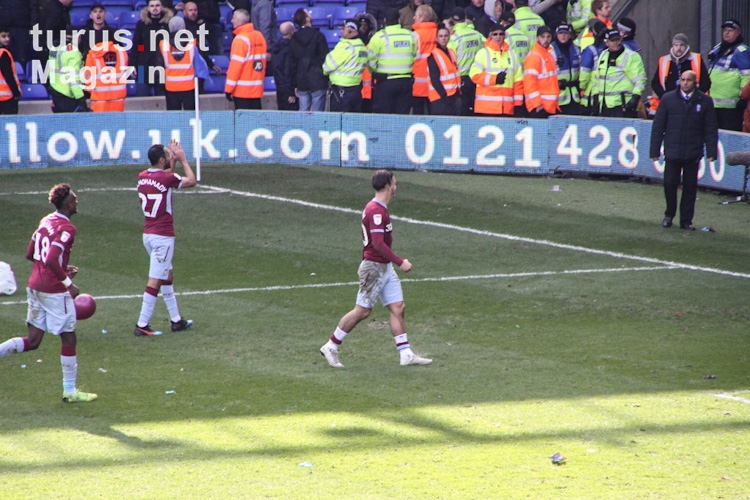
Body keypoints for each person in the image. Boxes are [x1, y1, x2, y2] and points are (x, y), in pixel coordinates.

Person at [319, 170, 432, 369]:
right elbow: (378, 244)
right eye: (394, 183)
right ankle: (331, 345)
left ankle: (405, 354)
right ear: (388, 186)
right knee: (362, 311)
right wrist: (400, 262)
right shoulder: (376, 211)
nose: (396, 187)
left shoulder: (378, 208)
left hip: (382, 267)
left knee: (398, 308)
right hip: (376, 267)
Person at [0, 183, 97, 403]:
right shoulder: (68, 228)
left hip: (34, 286)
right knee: (69, 336)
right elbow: (52, 258)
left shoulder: (46, 220)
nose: (77, 202)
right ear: (69, 203)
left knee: (33, 341)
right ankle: (70, 391)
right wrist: (67, 282)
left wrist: (61, 267)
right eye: (75, 199)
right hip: (53, 291)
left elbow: (30, 253)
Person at [135, 141, 196, 337]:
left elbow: (166, 177)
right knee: (155, 281)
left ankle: (176, 320)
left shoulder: (142, 176)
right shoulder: (166, 178)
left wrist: (173, 160)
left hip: (148, 235)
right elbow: (191, 181)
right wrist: (184, 159)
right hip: (163, 237)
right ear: (162, 159)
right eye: (168, 155)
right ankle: (142, 324)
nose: (170, 156)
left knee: (167, 275)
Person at [650, 71, 718, 231]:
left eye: (689, 80)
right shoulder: (668, 99)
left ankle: (686, 220)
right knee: (669, 184)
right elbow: (658, 126)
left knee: (690, 187)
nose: (685, 83)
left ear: (695, 82)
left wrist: (711, 151)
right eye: (683, 80)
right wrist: (654, 150)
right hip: (673, 149)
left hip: (693, 150)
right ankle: (669, 215)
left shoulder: (705, 101)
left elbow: (710, 128)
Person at [368, 9, 417, 114]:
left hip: (385, 81)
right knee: (402, 117)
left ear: (385, 20)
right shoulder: (410, 36)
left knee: (384, 117)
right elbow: (414, 56)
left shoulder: (379, 37)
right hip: (406, 81)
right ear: (399, 20)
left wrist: (375, 72)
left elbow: (370, 61)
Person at [649, 33, 710, 118]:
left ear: (686, 46)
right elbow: (655, 83)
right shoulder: (664, 60)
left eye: (682, 45)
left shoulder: (696, 59)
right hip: (669, 104)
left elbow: (706, 82)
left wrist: (694, 96)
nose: (678, 48)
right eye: (676, 45)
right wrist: (665, 97)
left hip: (691, 104)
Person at [590, 27, 645, 118]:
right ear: (607, 43)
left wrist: (635, 98)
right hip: (604, 107)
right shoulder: (603, 55)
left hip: (623, 107)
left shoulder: (632, 57)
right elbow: (597, 79)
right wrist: (596, 99)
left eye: (618, 39)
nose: (617, 43)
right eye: (613, 40)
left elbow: (640, 81)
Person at [469, 23, 523, 116]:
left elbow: (518, 80)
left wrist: (518, 104)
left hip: (507, 108)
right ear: (490, 35)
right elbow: (474, 75)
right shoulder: (483, 53)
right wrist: (495, 79)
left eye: (501, 34)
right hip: (487, 108)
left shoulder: (512, 54)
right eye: (495, 34)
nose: (498, 37)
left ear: (504, 36)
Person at [707, 19, 750, 131]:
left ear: (738, 32)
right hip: (712, 104)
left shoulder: (741, 51)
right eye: (725, 30)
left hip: (731, 107)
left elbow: (746, 76)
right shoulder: (718, 48)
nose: (726, 33)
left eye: (730, 30)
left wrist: (743, 98)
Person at [224, 8, 267, 110]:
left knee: (243, 124)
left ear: (240, 21)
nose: (231, 21)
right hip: (257, 90)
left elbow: (235, 68)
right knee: (256, 124)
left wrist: (228, 89)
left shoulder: (240, 39)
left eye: (233, 18)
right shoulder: (259, 36)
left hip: (242, 92)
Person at [289, 8, 329, 112]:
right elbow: (325, 58)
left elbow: (292, 63)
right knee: (318, 115)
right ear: (307, 19)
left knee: (303, 114)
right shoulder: (318, 36)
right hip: (318, 80)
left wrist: (294, 83)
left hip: (301, 80)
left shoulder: (294, 38)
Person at [323, 20, 367, 113]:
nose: (341, 31)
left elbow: (327, 67)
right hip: (356, 90)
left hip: (341, 91)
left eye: (343, 28)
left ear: (350, 31)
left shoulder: (345, 47)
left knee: (338, 124)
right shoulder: (362, 47)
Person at [447, 8, 485, 116]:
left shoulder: (453, 37)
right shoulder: (477, 34)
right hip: (476, 78)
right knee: (475, 109)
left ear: (451, 19)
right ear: (465, 18)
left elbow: (449, 58)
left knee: (462, 111)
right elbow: (487, 46)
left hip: (461, 78)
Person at [131, 0, 173, 97]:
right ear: (148, 8)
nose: (155, 8)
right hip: (142, 67)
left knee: (162, 99)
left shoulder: (168, 24)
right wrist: (133, 65)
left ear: (162, 7)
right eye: (152, 6)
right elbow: (137, 45)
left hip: (162, 67)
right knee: (141, 98)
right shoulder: (141, 24)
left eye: (157, 5)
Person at [85, 31, 129, 112]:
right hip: (118, 101)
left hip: (99, 102)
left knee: (100, 124)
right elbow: (125, 72)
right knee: (117, 124)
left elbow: (87, 77)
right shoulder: (122, 53)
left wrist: (95, 92)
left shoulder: (92, 54)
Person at [48, 30, 89, 113]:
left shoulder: (55, 49)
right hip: (67, 96)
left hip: (56, 92)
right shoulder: (73, 52)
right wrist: (81, 98)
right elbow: (73, 79)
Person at [523, 25, 559, 117]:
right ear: (537, 38)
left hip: (550, 106)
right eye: (542, 37)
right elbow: (529, 84)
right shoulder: (534, 56)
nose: (545, 40)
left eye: (548, 37)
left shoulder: (549, 55)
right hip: (540, 107)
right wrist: (537, 104)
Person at [411, 5, 439, 115]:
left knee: (417, 114)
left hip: (418, 82)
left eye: (416, 16)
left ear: (422, 18)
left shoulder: (414, 35)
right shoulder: (439, 33)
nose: (414, 18)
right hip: (435, 81)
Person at [182, 1, 222, 77]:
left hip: (198, 67)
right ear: (184, 12)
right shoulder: (181, 27)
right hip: (185, 68)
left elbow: (200, 49)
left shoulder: (200, 28)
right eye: (190, 10)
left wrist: (211, 65)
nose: (193, 13)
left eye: (195, 10)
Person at [427, 26, 460, 115]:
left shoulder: (451, 52)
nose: (443, 38)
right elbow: (434, 80)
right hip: (440, 98)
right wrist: (444, 96)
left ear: (449, 37)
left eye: (445, 36)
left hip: (452, 95)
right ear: (437, 38)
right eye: (441, 36)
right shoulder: (433, 55)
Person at [551, 22, 581, 115]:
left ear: (570, 35)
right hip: (559, 95)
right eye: (560, 33)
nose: (563, 35)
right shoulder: (550, 50)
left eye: (566, 33)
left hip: (574, 95)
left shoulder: (576, 48)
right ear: (556, 35)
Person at [273, 21, 298, 111]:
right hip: (288, 90)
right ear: (292, 32)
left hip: (279, 89)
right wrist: (291, 93)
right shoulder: (289, 49)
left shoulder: (276, 49)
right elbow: (287, 72)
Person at [0, 26, 22, 115]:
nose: (7, 39)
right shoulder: (3, 53)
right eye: (3, 36)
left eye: (8, 36)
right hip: (7, 96)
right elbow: (8, 75)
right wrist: (16, 93)